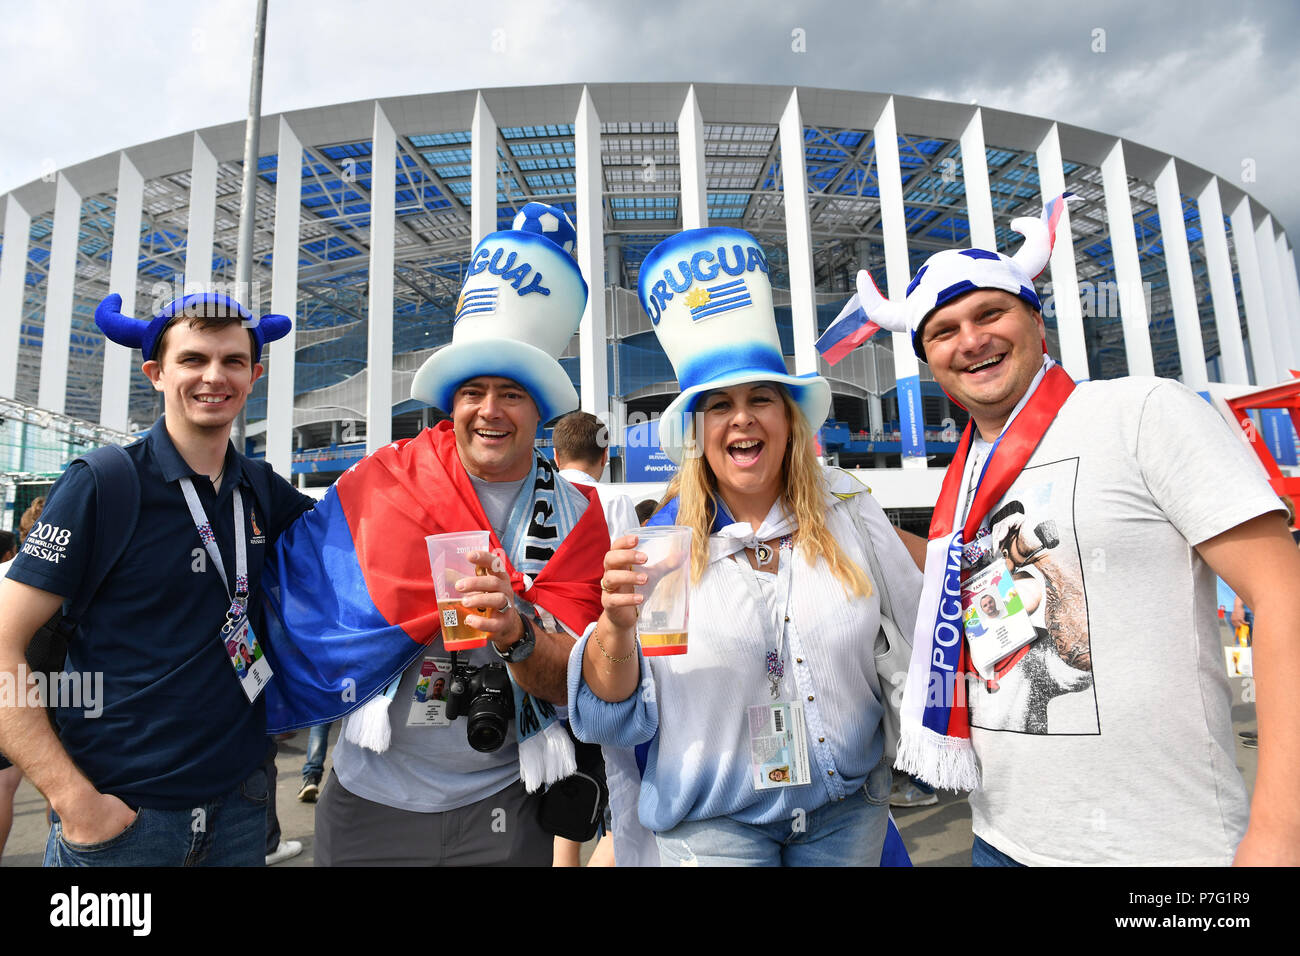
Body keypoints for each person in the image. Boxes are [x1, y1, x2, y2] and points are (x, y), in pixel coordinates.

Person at [832, 194, 1300, 865]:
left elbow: (1285, 598)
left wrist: (1281, 832)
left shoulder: (1142, 411)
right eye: (943, 331)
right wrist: (841, 505)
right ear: (929, 360)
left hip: (1165, 849)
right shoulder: (965, 475)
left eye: (989, 312)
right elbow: (951, 570)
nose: (970, 339)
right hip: (1000, 840)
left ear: (1036, 321)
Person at [265, 203, 608, 866]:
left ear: (539, 407)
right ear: (450, 402)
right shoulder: (383, 480)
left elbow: (575, 680)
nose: (489, 410)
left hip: (505, 802)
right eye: (473, 390)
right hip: (369, 801)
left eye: (510, 392)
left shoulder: (575, 519)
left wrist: (515, 632)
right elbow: (306, 591)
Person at [569, 227, 923, 866]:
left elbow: (924, 625)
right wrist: (614, 629)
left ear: (789, 420)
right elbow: (615, 719)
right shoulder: (663, 549)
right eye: (720, 405)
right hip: (714, 824)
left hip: (848, 813)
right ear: (699, 431)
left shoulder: (850, 511)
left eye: (762, 398)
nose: (743, 417)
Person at [0, 292, 313, 867]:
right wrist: (74, 801)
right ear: (157, 373)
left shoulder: (261, 489)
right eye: (193, 359)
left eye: (233, 361)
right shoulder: (102, 483)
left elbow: (358, 541)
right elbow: (2, 646)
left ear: (254, 375)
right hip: (123, 818)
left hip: (240, 808)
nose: (214, 376)